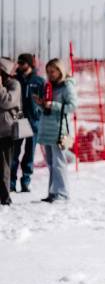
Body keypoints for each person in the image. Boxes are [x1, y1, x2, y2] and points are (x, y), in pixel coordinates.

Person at [34, 58, 77, 203]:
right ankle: (53, 192)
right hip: (47, 129)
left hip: (59, 131)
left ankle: (62, 194)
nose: (50, 74)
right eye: (48, 72)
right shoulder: (49, 86)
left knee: (59, 163)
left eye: (52, 71)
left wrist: (52, 105)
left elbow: (72, 106)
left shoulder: (67, 87)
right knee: (51, 164)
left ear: (60, 71)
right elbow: (47, 108)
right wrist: (41, 104)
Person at [9, 54, 45, 194]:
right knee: (14, 152)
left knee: (29, 154)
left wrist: (38, 113)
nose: (19, 65)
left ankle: (26, 181)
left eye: (22, 62)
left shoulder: (39, 81)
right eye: (18, 62)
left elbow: (44, 101)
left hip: (34, 121)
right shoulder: (15, 80)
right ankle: (11, 182)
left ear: (30, 64)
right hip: (19, 119)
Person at [0, 58, 21, 206]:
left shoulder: (14, 84)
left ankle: (5, 197)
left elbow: (7, 101)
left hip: (5, 131)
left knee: (4, 166)